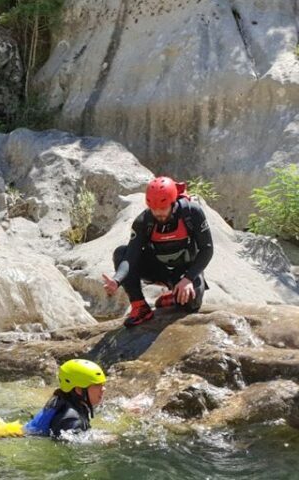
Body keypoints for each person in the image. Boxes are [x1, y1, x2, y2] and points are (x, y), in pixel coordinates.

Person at [102, 176, 213, 327]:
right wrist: (117, 280)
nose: (158, 213)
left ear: (173, 203)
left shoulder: (192, 213)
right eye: (154, 209)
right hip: (158, 268)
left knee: (190, 304)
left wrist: (188, 279)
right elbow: (130, 256)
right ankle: (140, 307)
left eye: (162, 208)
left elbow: (207, 249)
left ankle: (172, 296)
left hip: (185, 269)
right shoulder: (144, 221)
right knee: (121, 252)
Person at [22, 359, 107, 439]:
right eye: (97, 385)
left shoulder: (62, 398)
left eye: (103, 384)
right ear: (79, 389)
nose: (103, 389)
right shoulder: (72, 420)